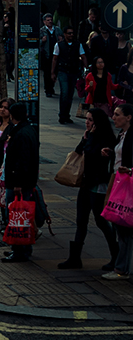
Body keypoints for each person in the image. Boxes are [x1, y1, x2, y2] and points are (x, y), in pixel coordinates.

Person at [58, 107, 120, 271]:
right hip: (86, 184)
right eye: (86, 119)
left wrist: (90, 138)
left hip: (98, 185)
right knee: (81, 221)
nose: (87, 122)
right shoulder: (89, 136)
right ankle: (75, 258)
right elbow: (79, 153)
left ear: (98, 123)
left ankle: (116, 255)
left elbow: (92, 155)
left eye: (90, 120)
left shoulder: (106, 138)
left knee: (101, 221)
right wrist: (85, 138)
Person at [1, 101, 42, 263]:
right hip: (24, 182)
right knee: (21, 217)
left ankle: (19, 250)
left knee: (16, 216)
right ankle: (22, 248)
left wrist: (17, 184)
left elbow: (22, 160)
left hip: (19, 183)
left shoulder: (22, 134)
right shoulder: (27, 130)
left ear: (11, 115)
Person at [102, 102, 133, 280]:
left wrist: (129, 171)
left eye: (117, 114)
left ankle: (121, 269)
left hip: (126, 185)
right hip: (119, 183)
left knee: (123, 226)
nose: (113, 117)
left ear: (128, 117)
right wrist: (111, 153)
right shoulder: (122, 134)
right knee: (121, 226)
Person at [0, 99, 15, 233]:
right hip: (0, 166)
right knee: (0, 195)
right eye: (1, 107)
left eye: (6, 108)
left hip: (9, 165)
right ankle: (3, 220)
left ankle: (9, 221)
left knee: (8, 196)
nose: (2, 110)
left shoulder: (13, 127)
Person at [52, 27, 86, 124]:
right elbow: (55, 58)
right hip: (63, 71)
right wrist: (53, 72)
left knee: (70, 94)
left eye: (72, 33)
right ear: (65, 34)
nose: (71, 35)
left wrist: (86, 69)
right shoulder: (59, 45)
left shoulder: (78, 45)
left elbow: (83, 56)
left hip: (73, 71)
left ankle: (66, 115)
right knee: (65, 92)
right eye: (69, 33)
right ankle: (62, 115)